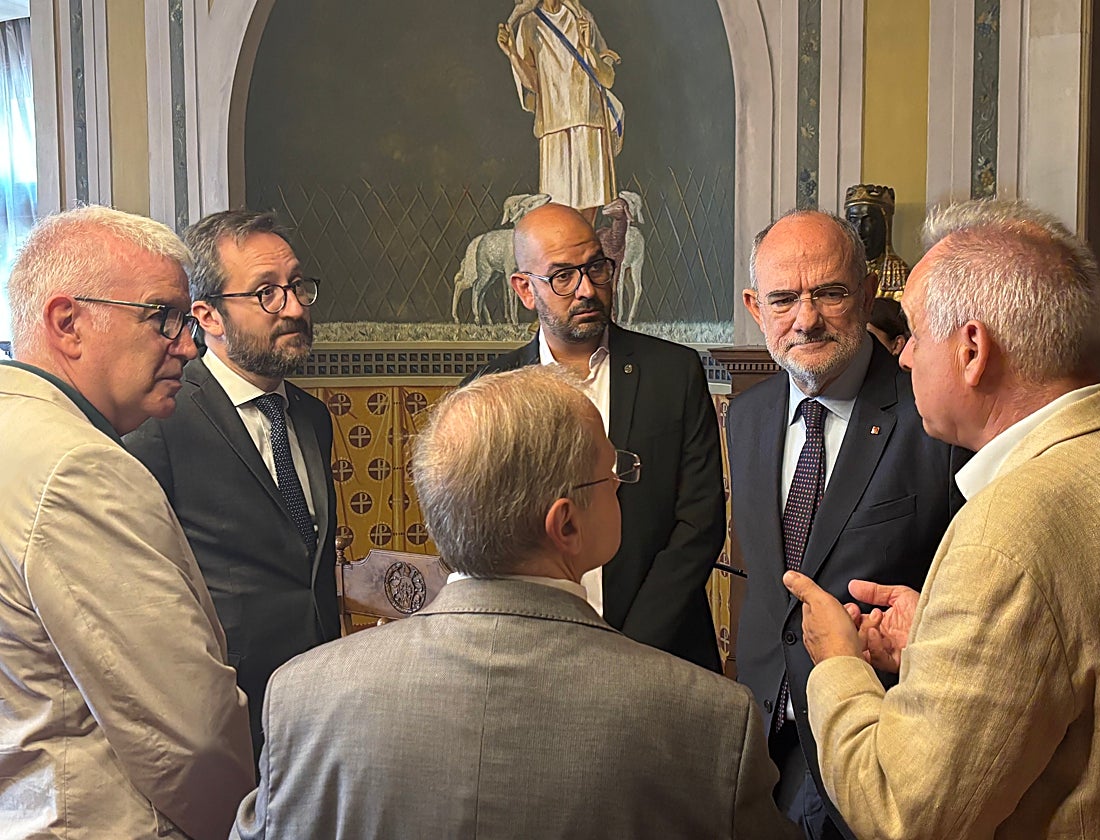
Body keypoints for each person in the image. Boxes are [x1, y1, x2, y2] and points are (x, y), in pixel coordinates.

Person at [229, 365, 799, 840]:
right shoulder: (711, 719)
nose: (623, 483)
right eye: (612, 473)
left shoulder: (303, 696)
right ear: (566, 524)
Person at [787, 199, 1100, 838]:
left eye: (914, 336)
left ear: (973, 350)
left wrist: (837, 662)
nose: (901, 358)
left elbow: (901, 812)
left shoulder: (1003, 536)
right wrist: (937, 640)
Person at [0, 206, 253, 839]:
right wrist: (247, 824)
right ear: (68, 323)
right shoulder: (78, 467)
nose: (189, 345)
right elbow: (188, 733)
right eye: (162, 316)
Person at [728, 209, 966, 838]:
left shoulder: (932, 420)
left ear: (866, 296)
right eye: (783, 299)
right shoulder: (746, 417)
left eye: (828, 293)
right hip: (756, 744)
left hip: (877, 743)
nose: (805, 319)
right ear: (756, 307)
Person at [462, 203, 726, 671]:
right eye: (562, 276)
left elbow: (699, 523)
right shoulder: (491, 391)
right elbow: (485, 543)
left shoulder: (674, 373)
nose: (587, 289)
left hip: (663, 652)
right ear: (525, 289)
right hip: (532, 658)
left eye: (596, 268)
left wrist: (630, 647)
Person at [124, 210, 339, 762]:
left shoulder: (313, 419)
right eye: (266, 292)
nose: (293, 307)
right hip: (218, 725)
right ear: (208, 315)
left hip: (317, 711)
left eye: (296, 287)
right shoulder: (161, 421)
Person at [498, 0, 622, 216]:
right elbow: (535, 84)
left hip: (588, 121)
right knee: (558, 215)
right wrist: (512, 54)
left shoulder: (582, 17)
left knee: (587, 215)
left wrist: (589, 49)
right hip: (553, 126)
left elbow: (607, 78)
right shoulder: (529, 23)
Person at [844, 184, 910, 299]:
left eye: (868, 221)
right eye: (853, 220)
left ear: (885, 224)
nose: (859, 230)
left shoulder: (899, 272)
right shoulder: (840, 269)